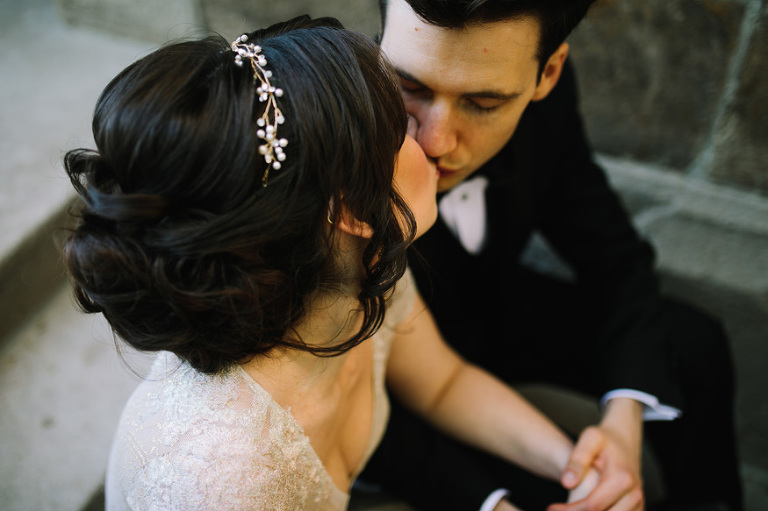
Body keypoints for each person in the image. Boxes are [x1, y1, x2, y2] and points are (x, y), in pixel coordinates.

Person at [61, 15, 605, 511]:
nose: (431, 140)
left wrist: (577, 466)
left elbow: (444, 383)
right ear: (351, 208)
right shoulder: (225, 476)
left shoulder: (360, 269)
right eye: (401, 130)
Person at [360, 1, 743, 510]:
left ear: (548, 74)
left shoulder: (550, 107)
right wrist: (487, 499)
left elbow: (613, 256)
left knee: (696, 346)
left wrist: (622, 422)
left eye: (483, 102)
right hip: (385, 384)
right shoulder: (335, 143)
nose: (435, 140)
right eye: (410, 87)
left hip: (497, 316)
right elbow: (343, 394)